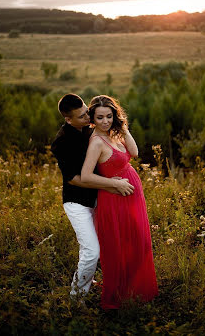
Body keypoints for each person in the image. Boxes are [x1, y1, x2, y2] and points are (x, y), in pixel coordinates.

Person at [51, 94, 134, 301]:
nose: (88, 117)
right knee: (91, 251)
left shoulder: (90, 130)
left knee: (99, 246)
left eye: (87, 112)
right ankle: (75, 299)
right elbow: (75, 179)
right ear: (68, 119)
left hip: (101, 198)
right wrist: (113, 184)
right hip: (77, 202)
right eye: (82, 116)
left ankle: (89, 282)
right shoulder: (61, 142)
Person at [81, 95, 158, 309]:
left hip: (132, 195)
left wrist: (122, 127)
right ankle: (118, 295)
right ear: (92, 119)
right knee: (119, 246)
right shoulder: (96, 142)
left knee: (138, 242)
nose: (105, 121)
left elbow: (134, 152)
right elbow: (86, 176)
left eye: (109, 116)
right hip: (114, 198)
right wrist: (113, 184)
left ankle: (135, 290)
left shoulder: (114, 134)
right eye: (100, 117)